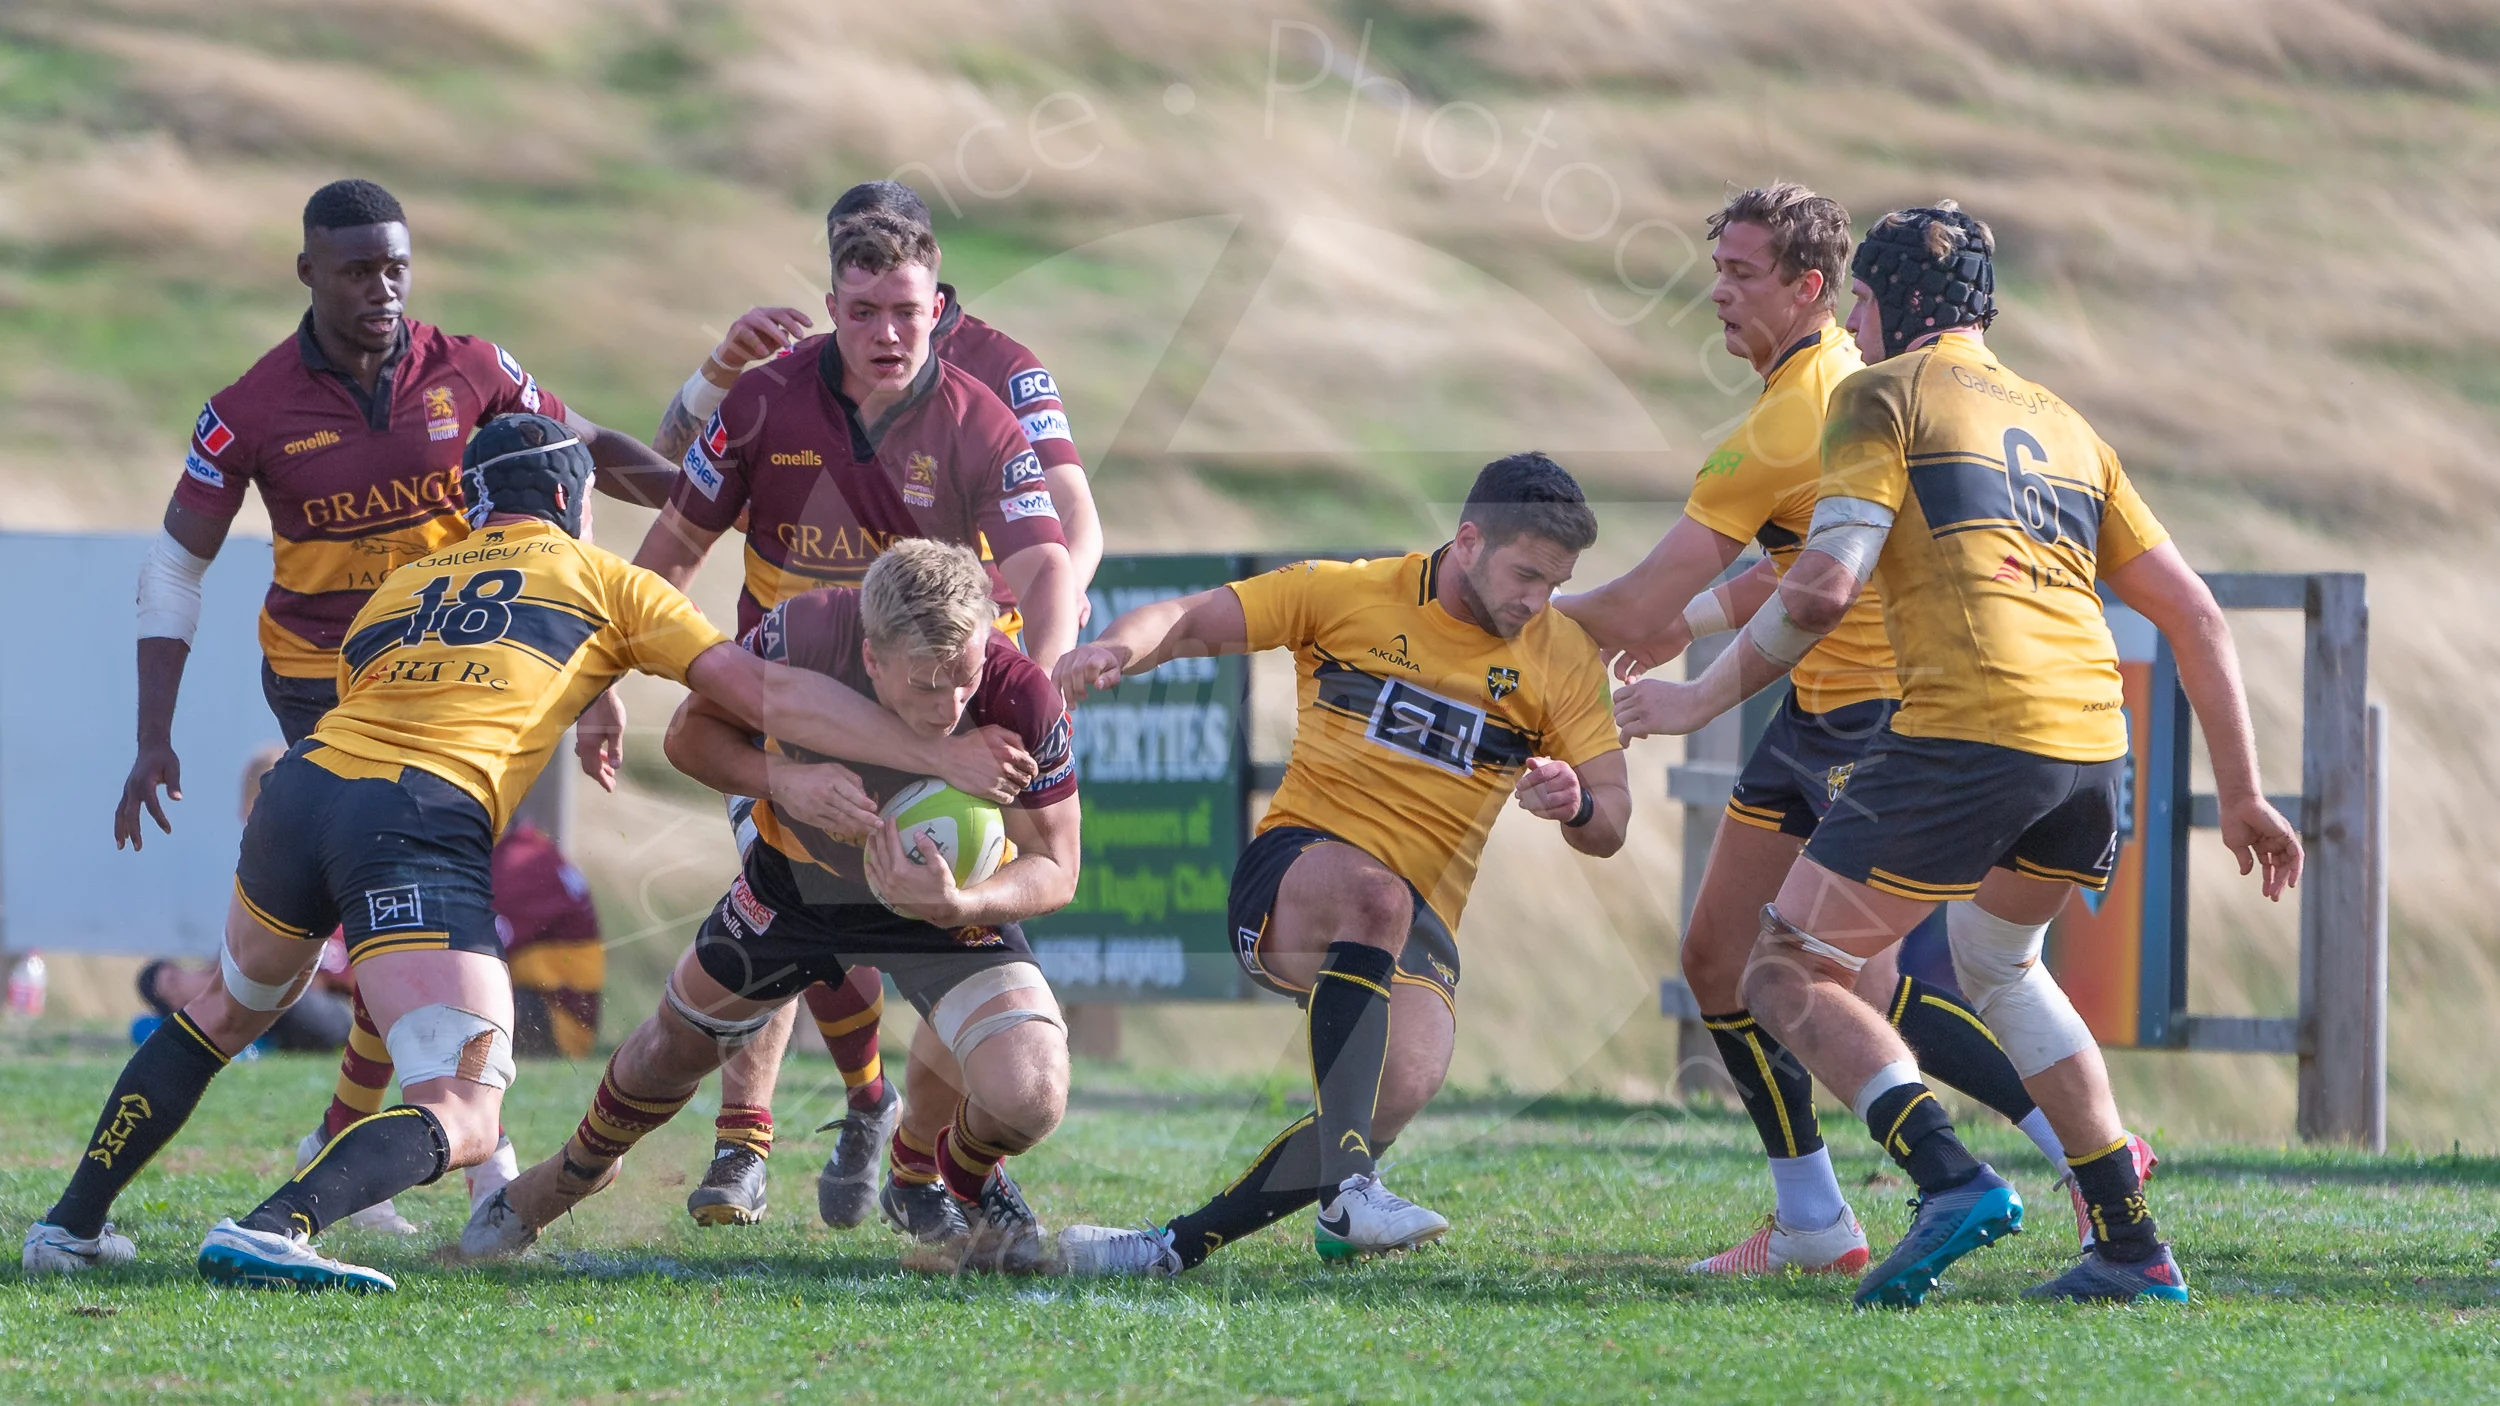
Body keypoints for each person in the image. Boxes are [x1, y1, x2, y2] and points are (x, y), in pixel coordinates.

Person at [21, 415, 1031, 1285]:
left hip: (302, 787)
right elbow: (754, 691)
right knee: (464, 1099)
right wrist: (926, 748)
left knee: (220, 1012)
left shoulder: (404, 582)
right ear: (572, 495)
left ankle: (69, 1222)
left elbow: (443, 680)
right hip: (414, 814)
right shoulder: (601, 576)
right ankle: (274, 1223)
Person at [1615, 203, 2302, 1307]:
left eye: (1861, 304)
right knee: (1999, 961)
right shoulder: (2068, 426)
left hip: (1967, 732)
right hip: (2089, 745)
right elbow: (2196, 615)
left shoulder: (1877, 393)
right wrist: (2244, 793)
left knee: (1785, 968)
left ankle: (1947, 1176)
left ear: (1878, 304)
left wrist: (1696, 693)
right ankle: (2130, 1245)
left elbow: (1825, 582)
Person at [1559, 184, 2135, 1277]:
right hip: (1812, 709)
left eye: (1739, 274)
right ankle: (1827, 1214)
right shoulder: (1821, 394)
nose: (1715, 293)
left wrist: (1482, 617)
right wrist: (1679, 629)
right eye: (1714, 268)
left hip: (1871, 718)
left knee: (1832, 980)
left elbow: (1696, 596)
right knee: (1726, 957)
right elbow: (1786, 565)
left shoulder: (1814, 409)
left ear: (1816, 289)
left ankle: (2034, 1162)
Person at [593, 199, 1079, 1231]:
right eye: (863, 311)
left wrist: (1025, 689)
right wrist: (601, 681)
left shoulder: (986, 398)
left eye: (905, 309)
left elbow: (1048, 557)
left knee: (942, 925)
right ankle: (757, 1136)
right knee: (792, 888)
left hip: (940, 721)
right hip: (789, 706)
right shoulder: (768, 399)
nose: (888, 332)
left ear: (937, 303)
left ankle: (915, 1152)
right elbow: (672, 547)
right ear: (833, 306)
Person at [1050, 453, 1631, 1276]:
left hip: (1413, 917)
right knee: (1374, 897)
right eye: (1526, 573)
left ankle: (1170, 1248)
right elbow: (1185, 619)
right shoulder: (1348, 592)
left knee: (1409, 1079)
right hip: (1294, 877)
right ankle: (1353, 1187)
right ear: (1468, 541)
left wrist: (1577, 804)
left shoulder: (1562, 656)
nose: (1537, 599)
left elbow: (1613, 816)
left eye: (1557, 581)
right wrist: (1114, 648)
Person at [460, 539, 1080, 1271]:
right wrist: (780, 778)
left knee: (1032, 1093)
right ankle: (567, 1175)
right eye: (923, 686)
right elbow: (691, 737)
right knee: (670, 1051)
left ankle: (947, 1169)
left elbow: (1058, 866)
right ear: (872, 657)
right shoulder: (803, 637)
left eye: (963, 681)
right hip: (801, 883)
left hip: (946, 906)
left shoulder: (1019, 691)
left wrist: (960, 901)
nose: (949, 708)